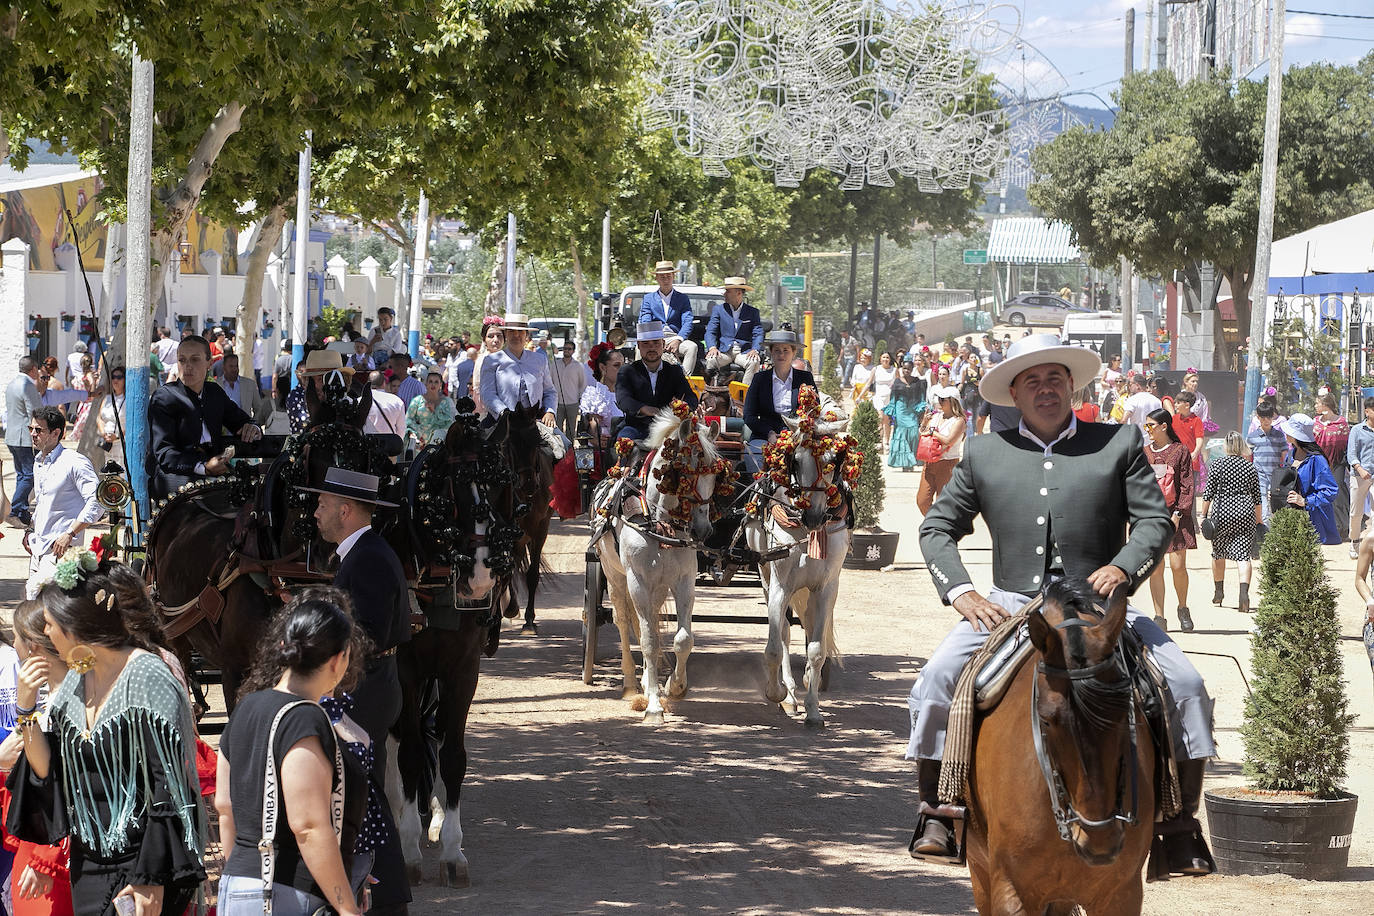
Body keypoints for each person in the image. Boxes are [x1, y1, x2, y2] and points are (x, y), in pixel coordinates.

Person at [910, 333, 1216, 876]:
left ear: (1071, 385)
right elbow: (937, 528)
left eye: (1055, 378)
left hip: (1099, 606)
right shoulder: (984, 452)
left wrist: (1123, 567)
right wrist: (962, 592)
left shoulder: (1118, 442)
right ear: (1014, 393)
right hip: (1010, 606)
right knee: (936, 681)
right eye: (1032, 380)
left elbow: (1154, 521)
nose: (1045, 388)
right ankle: (939, 813)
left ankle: (1178, 827)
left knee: (1187, 686)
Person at [13, 559, 206, 916]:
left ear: (74, 626)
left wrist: (151, 877)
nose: (47, 635)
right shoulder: (76, 678)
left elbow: (167, 785)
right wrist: (25, 709)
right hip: (88, 862)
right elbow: (48, 771)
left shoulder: (146, 675)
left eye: (50, 625)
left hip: (141, 863)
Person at [216, 588, 369, 916]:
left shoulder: (245, 709)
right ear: (338, 659)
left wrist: (244, 878)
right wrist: (347, 907)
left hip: (238, 886)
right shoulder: (305, 718)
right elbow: (308, 825)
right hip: (289, 892)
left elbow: (225, 807)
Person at [302, 469, 408, 780]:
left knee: (363, 789)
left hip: (366, 688)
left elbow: (369, 635)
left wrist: (316, 627)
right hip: (369, 683)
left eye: (322, 505)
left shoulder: (368, 557)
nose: (316, 513)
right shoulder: (364, 551)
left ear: (344, 511)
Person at [5, 598, 74, 916]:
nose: (12, 644)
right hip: (44, 851)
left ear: (33, 647)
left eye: (16, 637)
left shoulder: (68, 702)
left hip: (49, 858)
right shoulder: (62, 696)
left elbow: (55, 782)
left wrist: (46, 857)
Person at [147, 335, 262, 501]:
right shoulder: (164, 397)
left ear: (210, 363)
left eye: (195, 359)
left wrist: (252, 428)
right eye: (182, 360)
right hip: (175, 476)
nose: (187, 366)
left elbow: (241, 420)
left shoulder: (214, 392)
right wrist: (203, 467)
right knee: (208, 499)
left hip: (215, 471)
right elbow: (164, 453)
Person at [24, 406, 103, 600]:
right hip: (37, 550)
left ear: (56, 433)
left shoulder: (75, 462)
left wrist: (70, 533)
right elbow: (43, 503)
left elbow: (97, 501)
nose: (33, 434)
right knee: (34, 611)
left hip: (61, 554)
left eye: (39, 430)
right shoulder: (39, 461)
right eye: (31, 428)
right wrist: (30, 530)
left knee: (53, 612)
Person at [6, 357, 90, 527]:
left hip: (11, 435)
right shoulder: (28, 385)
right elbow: (36, 413)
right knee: (28, 475)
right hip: (24, 436)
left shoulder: (12, 383)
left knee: (22, 474)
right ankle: (15, 511)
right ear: (33, 369)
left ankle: (20, 511)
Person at [478, 313, 566, 457]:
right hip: (501, 421)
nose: (516, 336)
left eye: (520, 332)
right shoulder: (491, 361)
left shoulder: (539, 360)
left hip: (535, 421)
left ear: (526, 335)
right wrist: (504, 413)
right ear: (506, 335)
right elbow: (488, 393)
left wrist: (550, 412)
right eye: (511, 332)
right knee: (479, 452)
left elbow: (550, 391)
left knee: (565, 447)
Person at [1143, 408, 1197, 632]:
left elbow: (1187, 485)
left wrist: (1178, 513)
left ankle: (1183, 608)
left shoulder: (1180, 451)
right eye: (1146, 426)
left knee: (1178, 566)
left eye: (1151, 425)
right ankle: (1159, 616)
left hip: (1176, 516)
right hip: (1152, 517)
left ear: (1164, 426)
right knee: (1155, 568)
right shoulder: (1144, 452)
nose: (1147, 430)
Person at [1201, 431, 1263, 614]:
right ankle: (1243, 594)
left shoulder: (1217, 465)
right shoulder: (1249, 467)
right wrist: (1259, 520)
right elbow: (1257, 498)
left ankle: (1219, 592)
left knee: (1218, 553)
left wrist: (1203, 515)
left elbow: (1208, 493)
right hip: (1245, 513)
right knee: (1243, 556)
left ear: (1226, 447)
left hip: (1222, 513)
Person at [742, 330, 814, 472]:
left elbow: (813, 411)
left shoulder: (805, 378)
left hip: (798, 436)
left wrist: (796, 433)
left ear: (794, 353)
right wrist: (769, 433)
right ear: (771, 353)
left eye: (786, 350)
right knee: (753, 455)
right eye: (777, 351)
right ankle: (761, 487)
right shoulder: (759, 379)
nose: (781, 355)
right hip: (764, 436)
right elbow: (749, 416)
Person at [615, 321, 698, 442]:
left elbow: (691, 398)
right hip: (636, 427)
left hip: (668, 428)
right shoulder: (627, 371)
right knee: (624, 441)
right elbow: (623, 399)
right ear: (638, 345)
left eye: (656, 343)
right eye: (646, 343)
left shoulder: (674, 371)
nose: (652, 348)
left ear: (663, 344)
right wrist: (644, 408)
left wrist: (681, 407)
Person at [1280, 413, 1340, 545]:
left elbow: (1331, 491)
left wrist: (1305, 501)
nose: (1285, 433)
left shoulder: (1317, 460)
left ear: (1296, 436)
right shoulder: (1290, 455)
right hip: (1291, 518)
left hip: (1313, 523)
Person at [637, 261, 699, 377]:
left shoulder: (683, 298)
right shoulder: (648, 298)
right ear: (656, 278)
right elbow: (645, 321)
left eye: (668, 276)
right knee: (638, 348)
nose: (665, 279)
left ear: (673, 277)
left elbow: (687, 321)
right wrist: (657, 340)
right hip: (655, 337)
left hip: (675, 337)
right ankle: (641, 379)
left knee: (692, 347)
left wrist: (678, 339)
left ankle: (683, 380)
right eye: (662, 277)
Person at [703, 277, 763, 385]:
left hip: (743, 352)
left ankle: (745, 392)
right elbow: (710, 331)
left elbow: (758, 333)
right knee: (711, 359)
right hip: (724, 352)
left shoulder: (753, 312)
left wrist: (755, 349)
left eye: (728, 291)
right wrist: (712, 347)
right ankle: (710, 390)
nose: (724, 294)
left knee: (754, 361)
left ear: (738, 293)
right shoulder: (719, 310)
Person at [915, 386, 965, 514]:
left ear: (953, 401)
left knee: (943, 503)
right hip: (930, 462)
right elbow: (923, 434)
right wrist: (924, 423)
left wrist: (933, 432)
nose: (939, 402)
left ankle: (940, 524)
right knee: (922, 501)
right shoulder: (936, 416)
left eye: (943, 399)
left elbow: (949, 441)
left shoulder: (958, 421)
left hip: (947, 463)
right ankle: (934, 522)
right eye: (939, 399)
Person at [1312, 391, 1350, 545]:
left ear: (1325, 405)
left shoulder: (1341, 423)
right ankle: (1319, 529)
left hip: (1337, 464)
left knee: (1337, 495)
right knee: (1318, 494)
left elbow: (1345, 444)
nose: (1315, 406)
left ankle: (1342, 529)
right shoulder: (1315, 423)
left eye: (1317, 403)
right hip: (1318, 464)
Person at [1246, 402, 1288, 524]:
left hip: (1276, 476)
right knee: (1263, 508)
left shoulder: (1279, 435)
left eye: (1269, 417)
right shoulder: (1251, 437)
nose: (1266, 421)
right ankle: (1264, 532)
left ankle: (1273, 530)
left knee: (1276, 507)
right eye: (1263, 418)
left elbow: (1284, 453)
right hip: (1259, 476)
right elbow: (1248, 457)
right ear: (1258, 417)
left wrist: (1283, 470)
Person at [884, 359, 926, 472]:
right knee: (901, 435)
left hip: (913, 409)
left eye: (909, 369)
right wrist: (891, 412)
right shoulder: (897, 382)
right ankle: (905, 463)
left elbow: (922, 397)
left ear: (912, 369)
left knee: (913, 433)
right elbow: (893, 398)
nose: (906, 371)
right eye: (904, 368)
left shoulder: (917, 381)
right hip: (900, 410)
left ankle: (912, 460)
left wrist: (921, 409)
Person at [579, 344, 625, 447]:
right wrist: (598, 438)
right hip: (605, 452)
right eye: (616, 365)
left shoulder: (626, 393)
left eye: (623, 365)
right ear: (603, 368)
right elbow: (594, 429)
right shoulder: (597, 395)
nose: (622, 370)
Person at [1347, 397, 1374, 557]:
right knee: (1356, 512)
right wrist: (1360, 468)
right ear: (1367, 412)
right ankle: (1355, 541)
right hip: (1359, 476)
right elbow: (1351, 454)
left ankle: (1372, 542)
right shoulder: (1357, 430)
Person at [213, 353, 269, 426]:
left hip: (245, 430)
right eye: (231, 366)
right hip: (222, 431)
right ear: (224, 367)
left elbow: (259, 409)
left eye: (236, 366)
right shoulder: (215, 386)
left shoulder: (249, 384)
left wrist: (253, 425)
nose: (234, 369)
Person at [405, 370, 456, 449]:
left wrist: (435, 411)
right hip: (420, 442)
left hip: (440, 443)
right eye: (430, 381)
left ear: (440, 384)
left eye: (436, 382)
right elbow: (408, 419)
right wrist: (416, 432)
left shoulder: (447, 402)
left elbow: (450, 423)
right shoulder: (417, 400)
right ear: (426, 384)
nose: (433, 384)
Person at [550, 340, 588, 442]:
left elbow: (583, 385)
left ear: (573, 351)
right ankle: (559, 449)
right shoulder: (555, 364)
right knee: (556, 429)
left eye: (569, 349)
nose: (566, 350)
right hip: (557, 403)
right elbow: (549, 383)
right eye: (565, 348)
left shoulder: (578, 366)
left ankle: (570, 450)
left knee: (571, 430)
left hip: (572, 403)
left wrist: (580, 400)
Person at [470, 320, 504, 417]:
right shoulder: (482, 360)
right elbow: (478, 389)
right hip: (486, 410)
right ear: (484, 340)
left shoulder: (508, 359)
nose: (495, 340)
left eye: (499, 336)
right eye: (490, 336)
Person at [365, 371, 407, 441]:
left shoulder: (360, 401)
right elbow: (401, 429)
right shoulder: (397, 401)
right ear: (384, 383)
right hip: (389, 444)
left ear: (367, 383)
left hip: (367, 443)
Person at [870, 352, 897, 451]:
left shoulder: (894, 370)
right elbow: (869, 383)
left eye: (887, 357)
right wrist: (860, 396)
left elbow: (899, 383)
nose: (885, 359)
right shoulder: (876, 369)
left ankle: (886, 441)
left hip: (889, 397)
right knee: (880, 418)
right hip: (878, 397)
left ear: (890, 359)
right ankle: (879, 441)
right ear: (880, 359)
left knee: (887, 420)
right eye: (883, 357)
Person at [98, 366, 127, 457]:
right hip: (107, 443)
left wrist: (117, 436)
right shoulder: (107, 398)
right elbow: (99, 418)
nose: (115, 380)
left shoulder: (128, 400)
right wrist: (103, 433)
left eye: (119, 377)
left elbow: (131, 423)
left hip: (122, 443)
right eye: (113, 377)